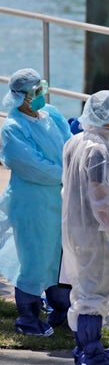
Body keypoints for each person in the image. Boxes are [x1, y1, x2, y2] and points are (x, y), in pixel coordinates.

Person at [0, 68, 72, 337]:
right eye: (34, 92)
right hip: (31, 203)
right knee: (32, 260)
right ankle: (28, 318)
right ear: (20, 97)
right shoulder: (12, 128)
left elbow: (69, 146)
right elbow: (32, 167)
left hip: (58, 200)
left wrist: (72, 172)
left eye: (41, 88)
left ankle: (60, 311)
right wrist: (67, 175)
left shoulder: (51, 115)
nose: (40, 95)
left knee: (57, 257)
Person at [62, 90, 109, 365]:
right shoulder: (100, 150)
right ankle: (91, 356)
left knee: (83, 290)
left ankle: (84, 347)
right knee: (93, 296)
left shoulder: (75, 142)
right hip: (96, 233)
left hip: (75, 229)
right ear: (105, 115)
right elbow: (102, 200)